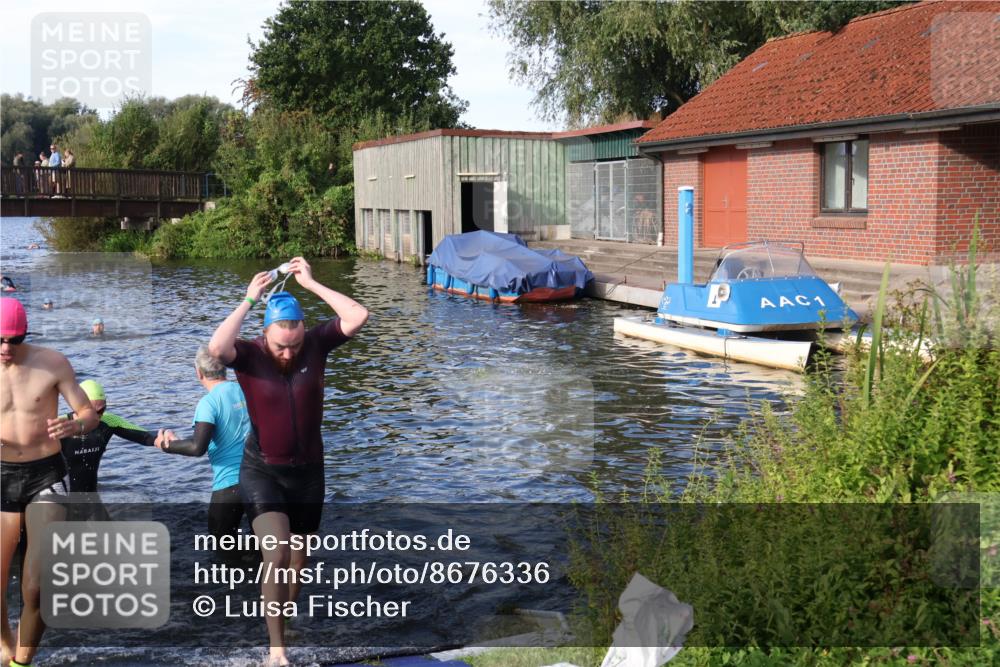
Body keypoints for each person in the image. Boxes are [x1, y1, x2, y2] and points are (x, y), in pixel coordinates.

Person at [207, 257, 368, 666]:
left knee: (299, 559)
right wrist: (248, 299)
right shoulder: (249, 355)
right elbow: (217, 349)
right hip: (262, 469)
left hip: (309, 472)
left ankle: (284, 618)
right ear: (265, 334)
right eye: (281, 345)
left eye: (294, 345)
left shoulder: (316, 344)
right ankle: (276, 650)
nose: (288, 352)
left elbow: (358, 315)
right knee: (276, 554)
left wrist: (311, 284)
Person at [1, 297, 99, 667]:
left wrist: (75, 425)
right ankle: (6, 644)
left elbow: (88, 413)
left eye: (14, 340)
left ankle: (20, 664)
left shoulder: (52, 363)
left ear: (25, 334)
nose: (6, 348)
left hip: (46, 475)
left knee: (37, 586)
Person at [156, 346, 251, 543]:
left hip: (229, 484)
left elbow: (197, 447)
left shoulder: (209, 403)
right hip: (260, 479)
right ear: (224, 368)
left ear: (198, 372)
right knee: (265, 546)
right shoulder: (245, 390)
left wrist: (167, 445)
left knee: (221, 545)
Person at [59, 380, 157, 493]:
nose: (97, 416)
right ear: (77, 407)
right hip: (61, 497)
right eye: (92, 412)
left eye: (102, 410)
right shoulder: (59, 425)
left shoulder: (108, 421)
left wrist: (163, 438)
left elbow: (145, 436)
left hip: (91, 495)